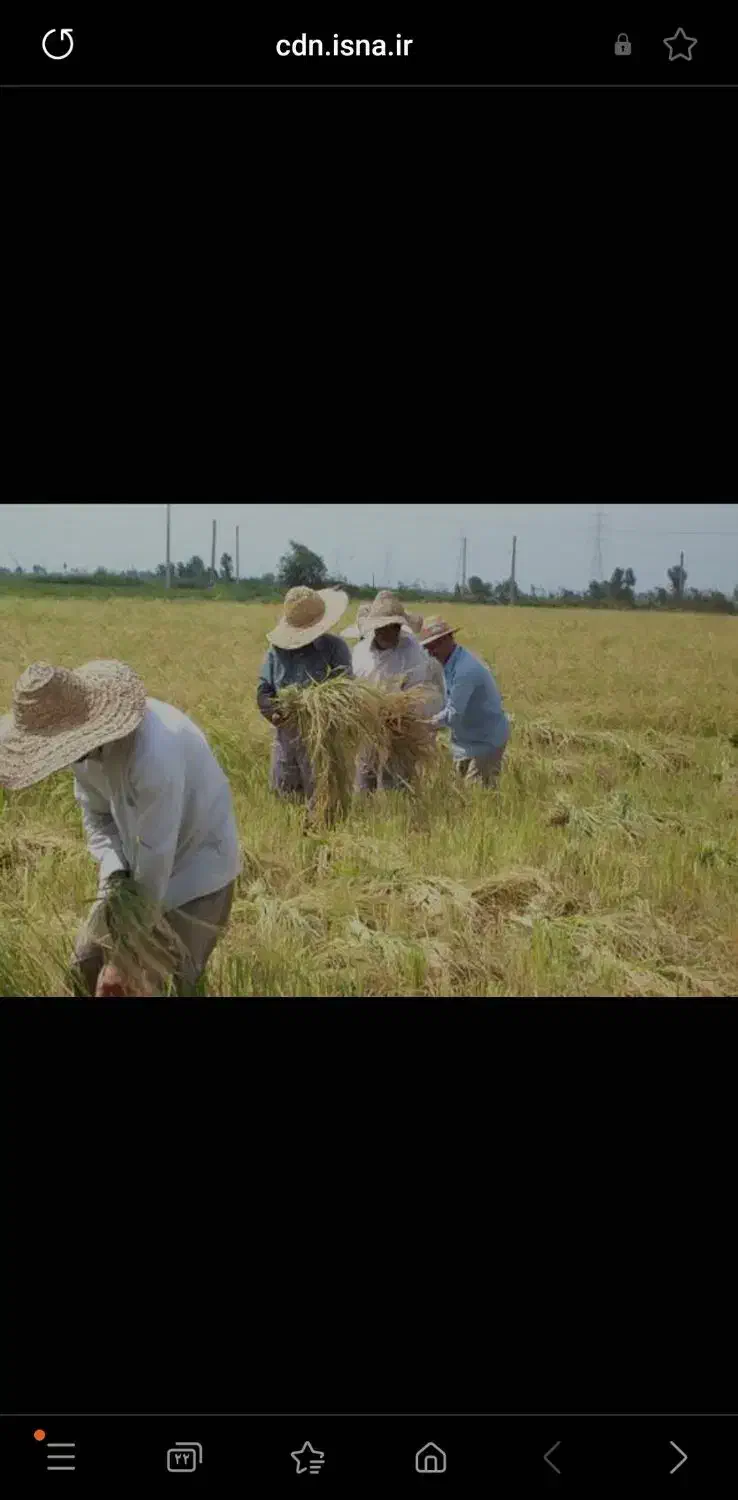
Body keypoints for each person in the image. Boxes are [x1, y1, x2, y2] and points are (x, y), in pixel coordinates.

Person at [0, 659, 241, 996]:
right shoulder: (82, 754)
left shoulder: (153, 754)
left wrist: (126, 958)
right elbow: (97, 817)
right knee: (84, 966)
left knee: (157, 984)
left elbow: (157, 857)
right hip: (132, 874)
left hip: (194, 872)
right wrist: (114, 874)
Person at [257, 586, 352, 803]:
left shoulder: (335, 649)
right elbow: (264, 690)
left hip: (323, 741)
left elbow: (346, 692)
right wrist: (272, 711)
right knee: (286, 801)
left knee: (323, 802)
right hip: (286, 738)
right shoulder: (276, 650)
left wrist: (318, 709)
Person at [352, 592, 443, 790]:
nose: (389, 632)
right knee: (364, 782)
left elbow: (419, 693)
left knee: (396, 784)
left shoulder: (413, 653)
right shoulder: (360, 653)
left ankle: (399, 816)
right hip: (369, 728)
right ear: (374, 627)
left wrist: (396, 711)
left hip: (401, 730)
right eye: (384, 627)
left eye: (394, 627)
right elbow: (353, 686)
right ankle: (365, 817)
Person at [419, 617, 510, 785]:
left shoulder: (465, 669)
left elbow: (454, 714)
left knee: (477, 797)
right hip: (465, 741)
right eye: (427, 647)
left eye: (435, 645)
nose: (431, 651)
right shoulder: (447, 663)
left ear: (449, 639)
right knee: (463, 794)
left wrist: (426, 725)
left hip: (485, 741)